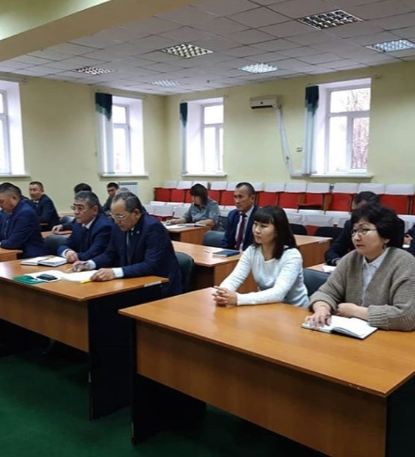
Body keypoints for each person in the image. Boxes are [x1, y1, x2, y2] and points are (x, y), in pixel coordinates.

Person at [307, 205, 415, 331]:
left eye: (364, 230)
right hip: (349, 332)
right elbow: (325, 293)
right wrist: (322, 308)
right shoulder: (351, 259)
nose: (356, 237)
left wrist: (356, 311)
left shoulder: (405, 263)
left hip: (389, 337)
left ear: (385, 236)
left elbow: (407, 316)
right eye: (354, 231)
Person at [72, 191, 182, 297]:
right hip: (132, 282)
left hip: (159, 287)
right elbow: (110, 254)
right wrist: (89, 264)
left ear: (136, 213)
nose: (116, 221)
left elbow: (150, 265)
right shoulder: (119, 226)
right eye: (113, 217)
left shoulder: (153, 228)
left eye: (120, 216)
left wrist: (114, 272)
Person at [213, 206, 308, 307]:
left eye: (263, 226)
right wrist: (223, 292)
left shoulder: (292, 256)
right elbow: (235, 278)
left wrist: (238, 299)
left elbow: (278, 293)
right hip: (267, 306)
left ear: (277, 230)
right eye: (255, 224)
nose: (257, 230)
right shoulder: (252, 251)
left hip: (295, 310)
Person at [325, 191, 404, 266]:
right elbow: (333, 250)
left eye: (365, 230)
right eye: (353, 211)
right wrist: (338, 261)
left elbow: (395, 252)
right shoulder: (351, 224)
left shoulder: (394, 224)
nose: (356, 237)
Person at [56, 191, 112, 262]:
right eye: (74, 208)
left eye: (80, 208)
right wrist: (67, 252)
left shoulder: (104, 227)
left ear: (95, 210)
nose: (76, 212)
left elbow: (92, 254)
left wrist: (73, 256)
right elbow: (64, 245)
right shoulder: (78, 224)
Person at [0, 182, 46, 258]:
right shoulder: (6, 212)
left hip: (31, 257)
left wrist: (1, 243)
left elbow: (13, 242)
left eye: (1, 201)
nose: (0, 205)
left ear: (14, 198)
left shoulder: (25, 213)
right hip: (15, 253)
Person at [221, 182, 258, 251]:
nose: (237, 201)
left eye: (240, 197)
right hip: (232, 254)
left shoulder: (259, 216)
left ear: (252, 198)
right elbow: (226, 241)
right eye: (235, 197)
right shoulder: (232, 215)